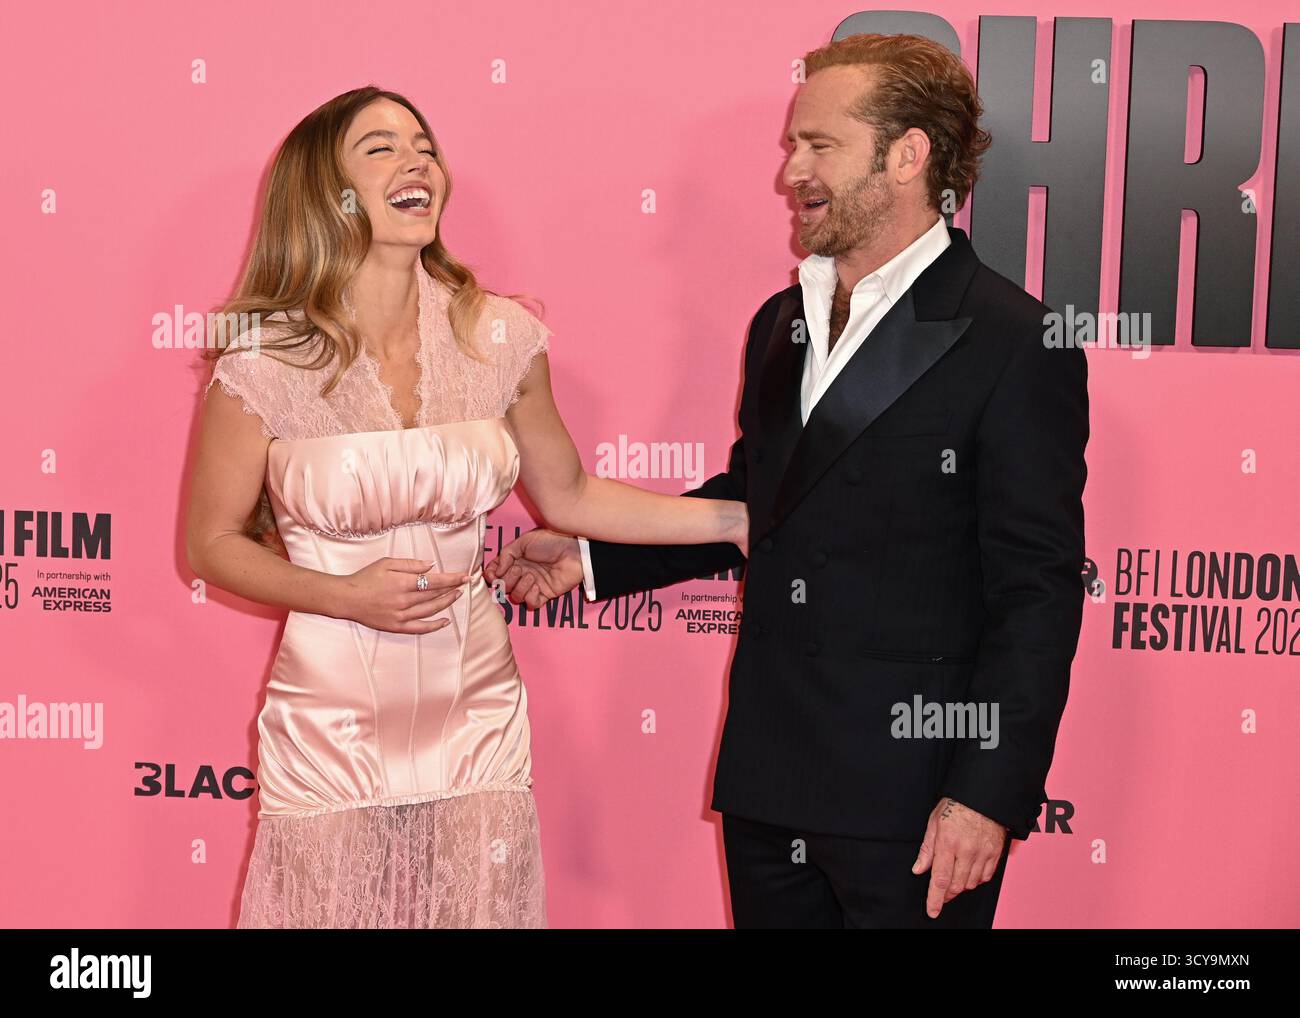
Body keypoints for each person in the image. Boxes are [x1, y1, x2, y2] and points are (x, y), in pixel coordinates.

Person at [485, 33, 1090, 928]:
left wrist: (987, 795)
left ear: (908, 154)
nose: (789, 172)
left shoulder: (1012, 337)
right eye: (790, 146)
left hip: (915, 800)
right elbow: (769, 504)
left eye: (818, 145)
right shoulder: (780, 321)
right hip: (770, 780)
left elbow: (1038, 592)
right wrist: (593, 556)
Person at [184, 86, 746, 928]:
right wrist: (342, 594)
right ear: (324, 191)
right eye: (380, 148)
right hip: (330, 719)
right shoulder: (265, 364)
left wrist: (738, 520)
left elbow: (572, 495)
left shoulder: (500, 338)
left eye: (424, 145)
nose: (417, 161)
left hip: (474, 709)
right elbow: (212, 543)